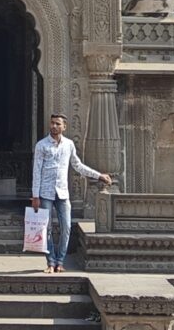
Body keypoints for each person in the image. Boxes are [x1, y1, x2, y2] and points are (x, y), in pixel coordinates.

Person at [29, 112, 112, 273]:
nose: (54, 126)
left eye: (58, 124)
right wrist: (35, 196)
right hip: (45, 192)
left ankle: (60, 261)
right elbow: (36, 171)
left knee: (66, 227)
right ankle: (50, 262)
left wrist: (99, 175)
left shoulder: (68, 145)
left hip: (62, 192)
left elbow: (78, 165)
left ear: (64, 127)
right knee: (45, 229)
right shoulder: (41, 145)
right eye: (52, 123)